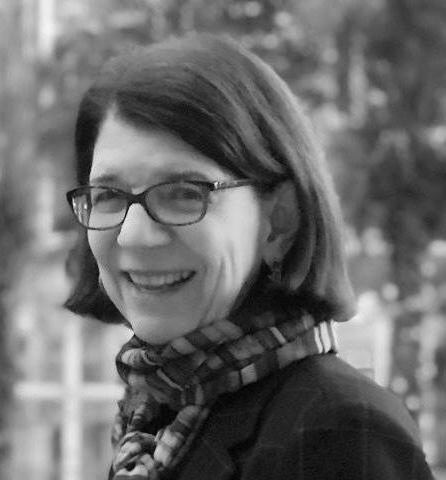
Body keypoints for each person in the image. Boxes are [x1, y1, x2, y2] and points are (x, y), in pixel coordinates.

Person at [65, 34, 435, 480]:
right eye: (108, 194)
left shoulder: (339, 431)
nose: (134, 235)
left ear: (278, 222)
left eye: (184, 192)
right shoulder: (155, 417)